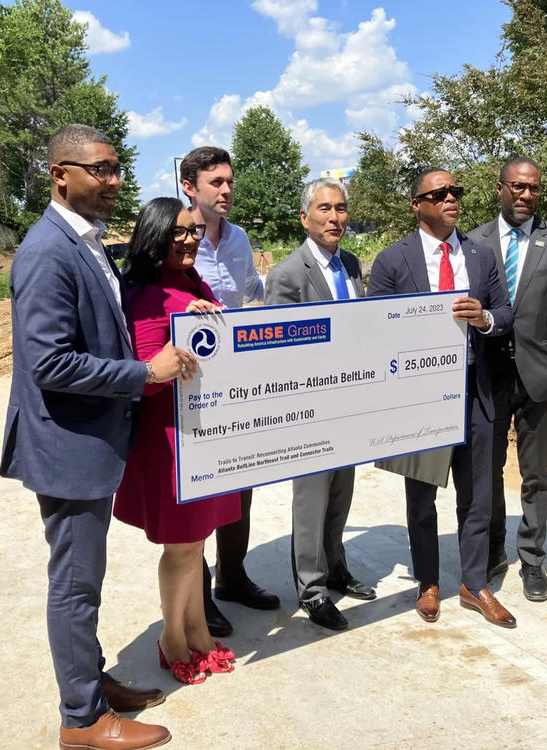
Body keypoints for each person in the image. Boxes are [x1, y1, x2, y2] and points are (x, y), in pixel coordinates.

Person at [0, 125, 194, 750]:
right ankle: (81, 720)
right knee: (76, 584)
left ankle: (93, 681)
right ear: (61, 174)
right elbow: (48, 362)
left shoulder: (84, 242)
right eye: (99, 171)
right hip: (67, 446)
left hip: (88, 439)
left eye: (116, 169)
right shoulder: (47, 252)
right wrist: (144, 373)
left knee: (86, 579)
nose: (113, 182)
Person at [368, 169, 516, 628]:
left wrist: (486, 318)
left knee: (477, 494)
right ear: (417, 203)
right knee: (421, 495)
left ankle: (474, 583)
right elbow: (375, 326)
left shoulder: (480, 254)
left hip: (474, 391)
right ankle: (428, 581)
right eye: (440, 193)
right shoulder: (393, 261)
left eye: (456, 192)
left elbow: (507, 312)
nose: (451, 198)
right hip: (420, 398)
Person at [113, 197, 241, 684]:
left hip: (204, 430)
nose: (190, 239)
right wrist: (184, 329)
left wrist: (209, 319)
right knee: (182, 546)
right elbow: (146, 373)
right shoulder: (144, 294)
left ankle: (197, 632)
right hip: (169, 439)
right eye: (179, 232)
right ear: (156, 236)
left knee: (196, 542)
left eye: (194, 231)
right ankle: (172, 638)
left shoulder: (195, 284)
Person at [467, 157, 547, 602]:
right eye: (518, 187)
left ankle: (533, 558)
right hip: (488, 377)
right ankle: (493, 550)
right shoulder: (473, 242)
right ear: (500, 188)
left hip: (543, 375)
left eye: (534, 189)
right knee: (487, 471)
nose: (525, 195)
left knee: (535, 474)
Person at [264, 177, 376, 631]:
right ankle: (312, 590)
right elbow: (276, 348)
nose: (335, 217)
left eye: (341, 208)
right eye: (325, 209)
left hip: (347, 400)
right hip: (309, 405)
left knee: (341, 493)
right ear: (305, 217)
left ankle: (337, 568)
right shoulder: (287, 274)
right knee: (311, 500)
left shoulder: (350, 264)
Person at [178, 146, 278, 639]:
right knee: (202, 491)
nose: (226, 190)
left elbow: (251, 294)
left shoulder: (239, 239)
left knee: (242, 484)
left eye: (229, 181)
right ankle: (198, 594)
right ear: (189, 187)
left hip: (239, 384)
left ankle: (234, 577)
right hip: (192, 387)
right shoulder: (176, 239)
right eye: (215, 182)